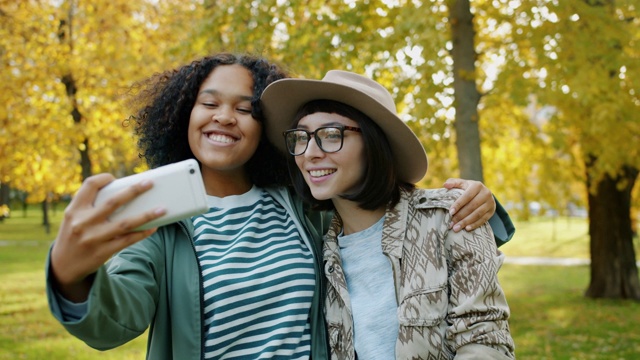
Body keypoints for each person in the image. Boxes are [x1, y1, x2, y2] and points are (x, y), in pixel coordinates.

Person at [45, 53, 510, 360]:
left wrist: (481, 201)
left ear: (263, 130)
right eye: (209, 103)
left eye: (246, 109)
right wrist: (72, 277)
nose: (225, 116)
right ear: (181, 115)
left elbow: (392, 214)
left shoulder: (302, 206)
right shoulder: (159, 223)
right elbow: (113, 322)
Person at [261, 70, 516, 359]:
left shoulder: (449, 217)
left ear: (373, 143)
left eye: (331, 135)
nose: (310, 153)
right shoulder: (316, 248)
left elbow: (485, 343)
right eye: (301, 137)